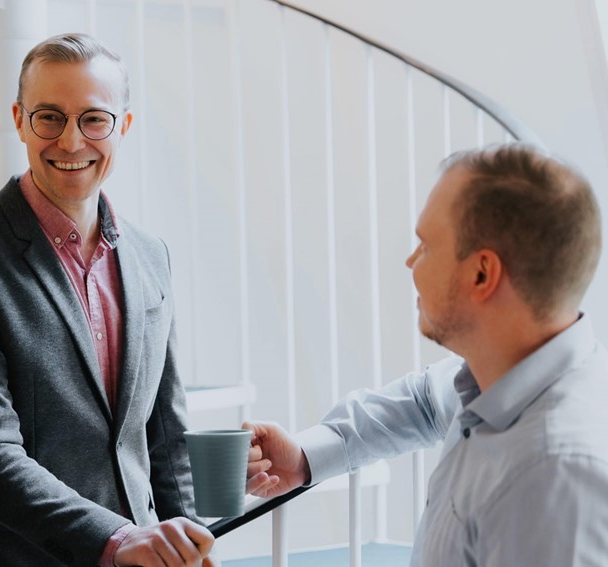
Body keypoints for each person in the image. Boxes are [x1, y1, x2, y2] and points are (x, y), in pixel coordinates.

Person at [0, 33, 214, 567]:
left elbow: (166, 436)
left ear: (125, 125)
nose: (71, 142)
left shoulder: (150, 256)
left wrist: (188, 542)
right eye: (49, 117)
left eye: (94, 119)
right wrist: (117, 541)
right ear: (20, 119)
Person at [245, 143, 608, 566]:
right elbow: (420, 403)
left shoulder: (554, 474)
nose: (409, 260)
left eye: (425, 245)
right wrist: (305, 458)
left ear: (481, 274)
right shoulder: (497, 376)